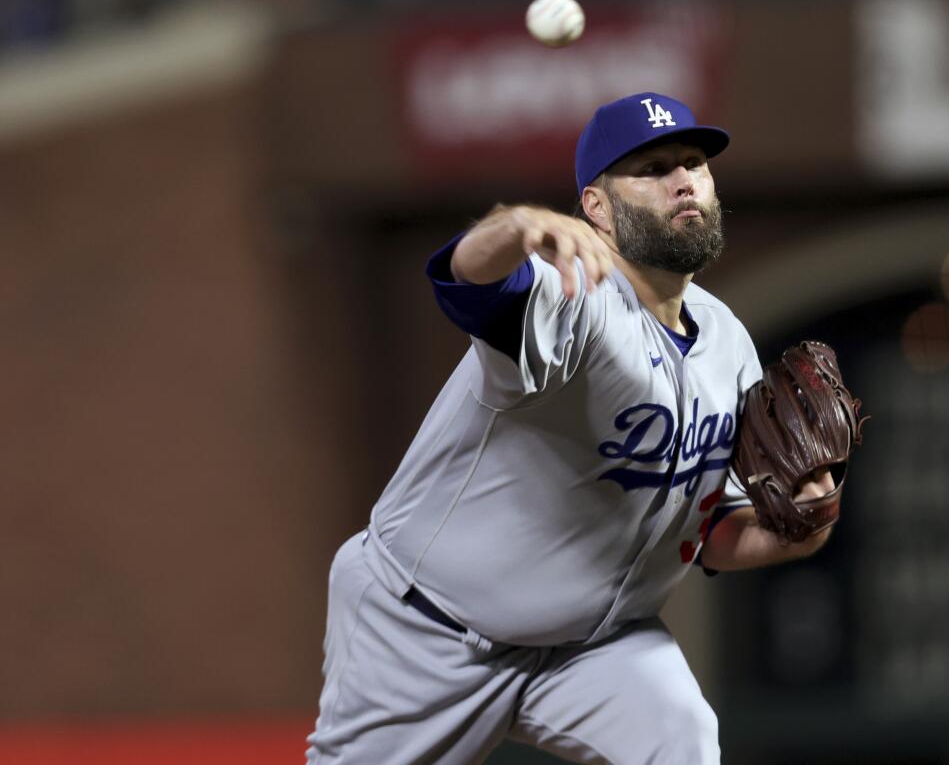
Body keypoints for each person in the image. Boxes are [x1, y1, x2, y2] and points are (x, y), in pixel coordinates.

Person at [306, 92, 836, 765]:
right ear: (596, 207)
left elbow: (705, 535)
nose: (682, 180)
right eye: (651, 168)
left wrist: (795, 529)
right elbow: (469, 282)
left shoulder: (727, 341)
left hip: (593, 646)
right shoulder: (570, 291)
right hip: (428, 628)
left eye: (694, 163)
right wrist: (517, 224)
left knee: (681, 737)